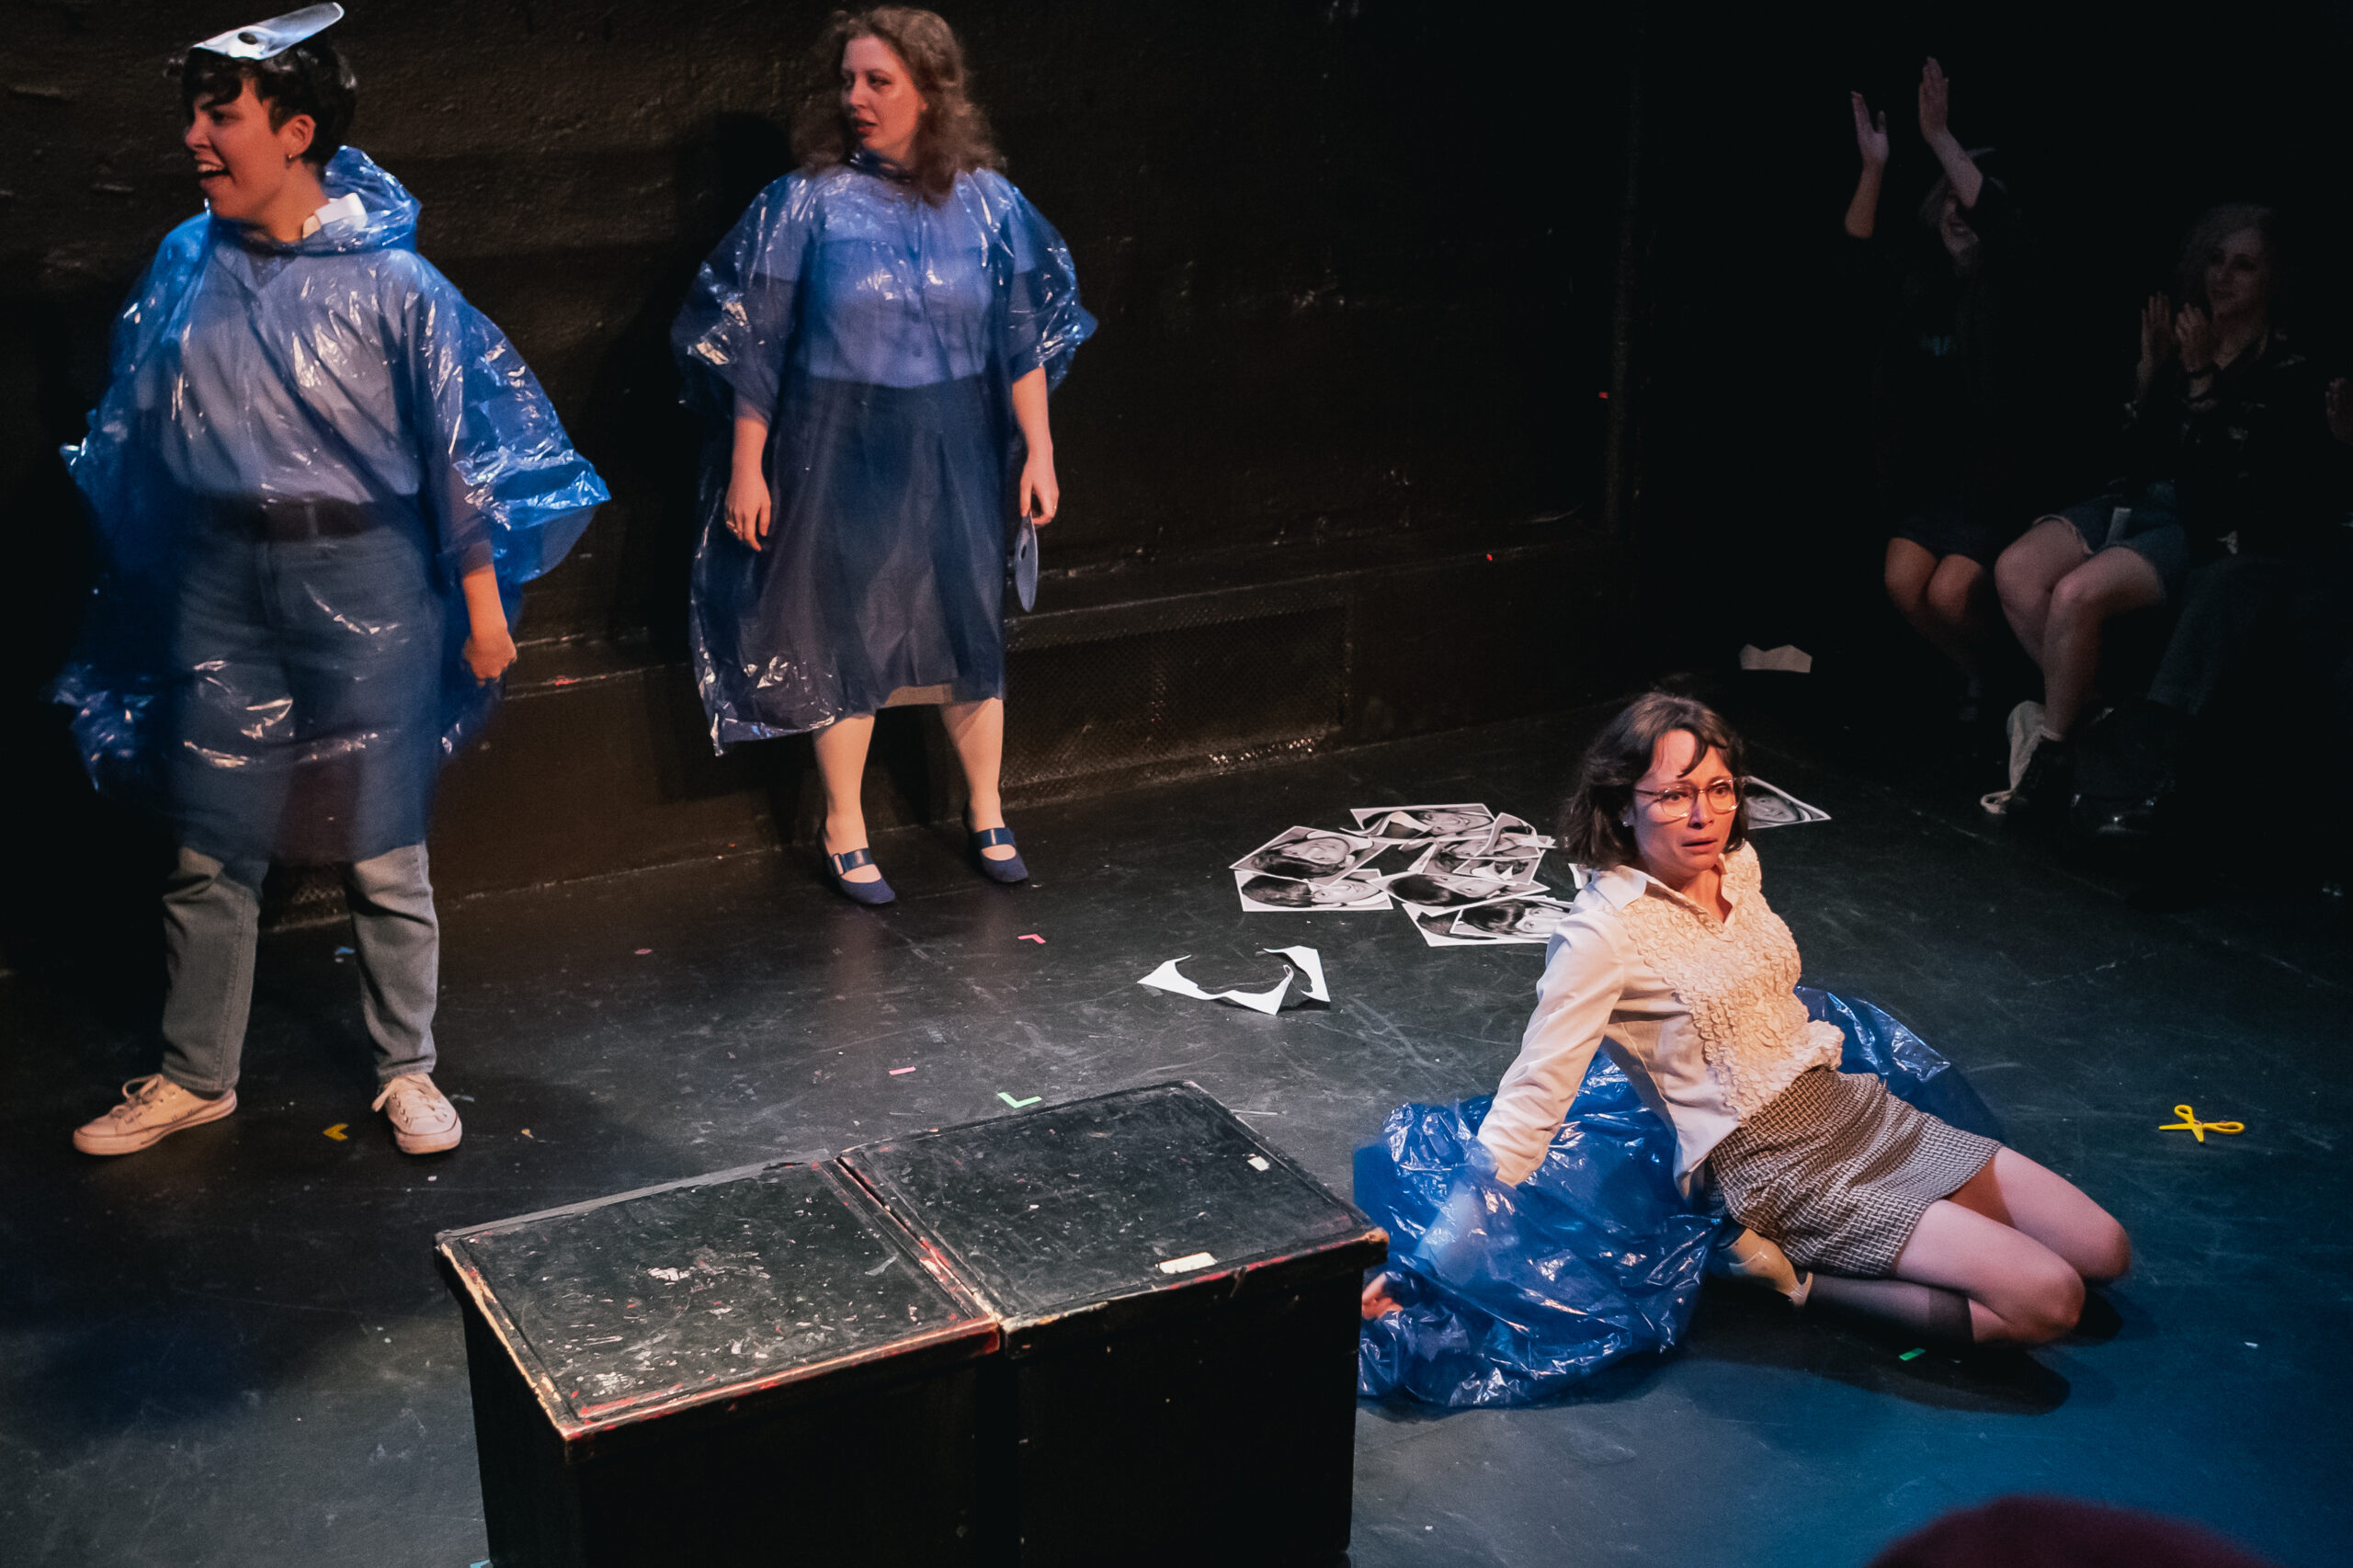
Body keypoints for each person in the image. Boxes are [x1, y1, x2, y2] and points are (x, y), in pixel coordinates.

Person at [56, 6, 605, 1156]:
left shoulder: (396, 285)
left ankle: (407, 1068)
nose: (196, 137)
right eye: (194, 114)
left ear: (295, 130)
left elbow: (457, 456)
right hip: (218, 578)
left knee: (382, 838)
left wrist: (483, 603)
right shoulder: (187, 262)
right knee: (211, 841)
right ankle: (195, 1073)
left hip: (365, 578)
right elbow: (139, 425)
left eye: (222, 115)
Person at [1363, 693, 2130, 1348]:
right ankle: (1792, 1281)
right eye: (1674, 795)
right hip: (1774, 1167)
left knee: (2105, 1251)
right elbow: (1531, 1101)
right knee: (2048, 1301)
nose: (1704, 816)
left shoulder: (1737, 864)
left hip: (1854, 1109)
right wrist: (1429, 1267)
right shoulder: (1599, 936)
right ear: (1622, 803)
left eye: (1720, 789)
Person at [673, 7, 1095, 904]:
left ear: (930, 92)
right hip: (841, 444)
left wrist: (1040, 451)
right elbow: (757, 345)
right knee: (848, 628)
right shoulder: (807, 203)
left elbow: (1022, 339)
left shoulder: (987, 203)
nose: (856, 98)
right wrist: (748, 464)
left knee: (966, 623)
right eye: (849, 81)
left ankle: (988, 809)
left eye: (879, 81)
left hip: (952, 441)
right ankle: (844, 823)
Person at [1992, 205, 2317, 820]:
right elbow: (2134, 458)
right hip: (2141, 499)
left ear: (2273, 277)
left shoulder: (2283, 369)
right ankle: (2104, 720)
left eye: (2244, 266)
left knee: (2076, 596)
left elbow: (2223, 489)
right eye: (2216, 260)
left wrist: (2203, 379)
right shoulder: (2185, 334)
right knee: (2015, 571)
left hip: (2200, 522)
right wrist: (2148, 378)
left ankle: (2053, 758)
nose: (2223, 276)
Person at [1845, 60, 2044, 719]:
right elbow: (1859, 261)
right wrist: (1874, 168)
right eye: (1950, 202)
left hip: (1995, 485)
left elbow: (2004, 226)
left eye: (1970, 204)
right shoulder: (1923, 282)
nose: (1961, 214)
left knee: (1950, 595)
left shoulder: (2012, 286)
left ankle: (2015, 683)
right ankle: (1982, 680)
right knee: (1904, 584)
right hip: (1934, 482)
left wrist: (1939, 137)